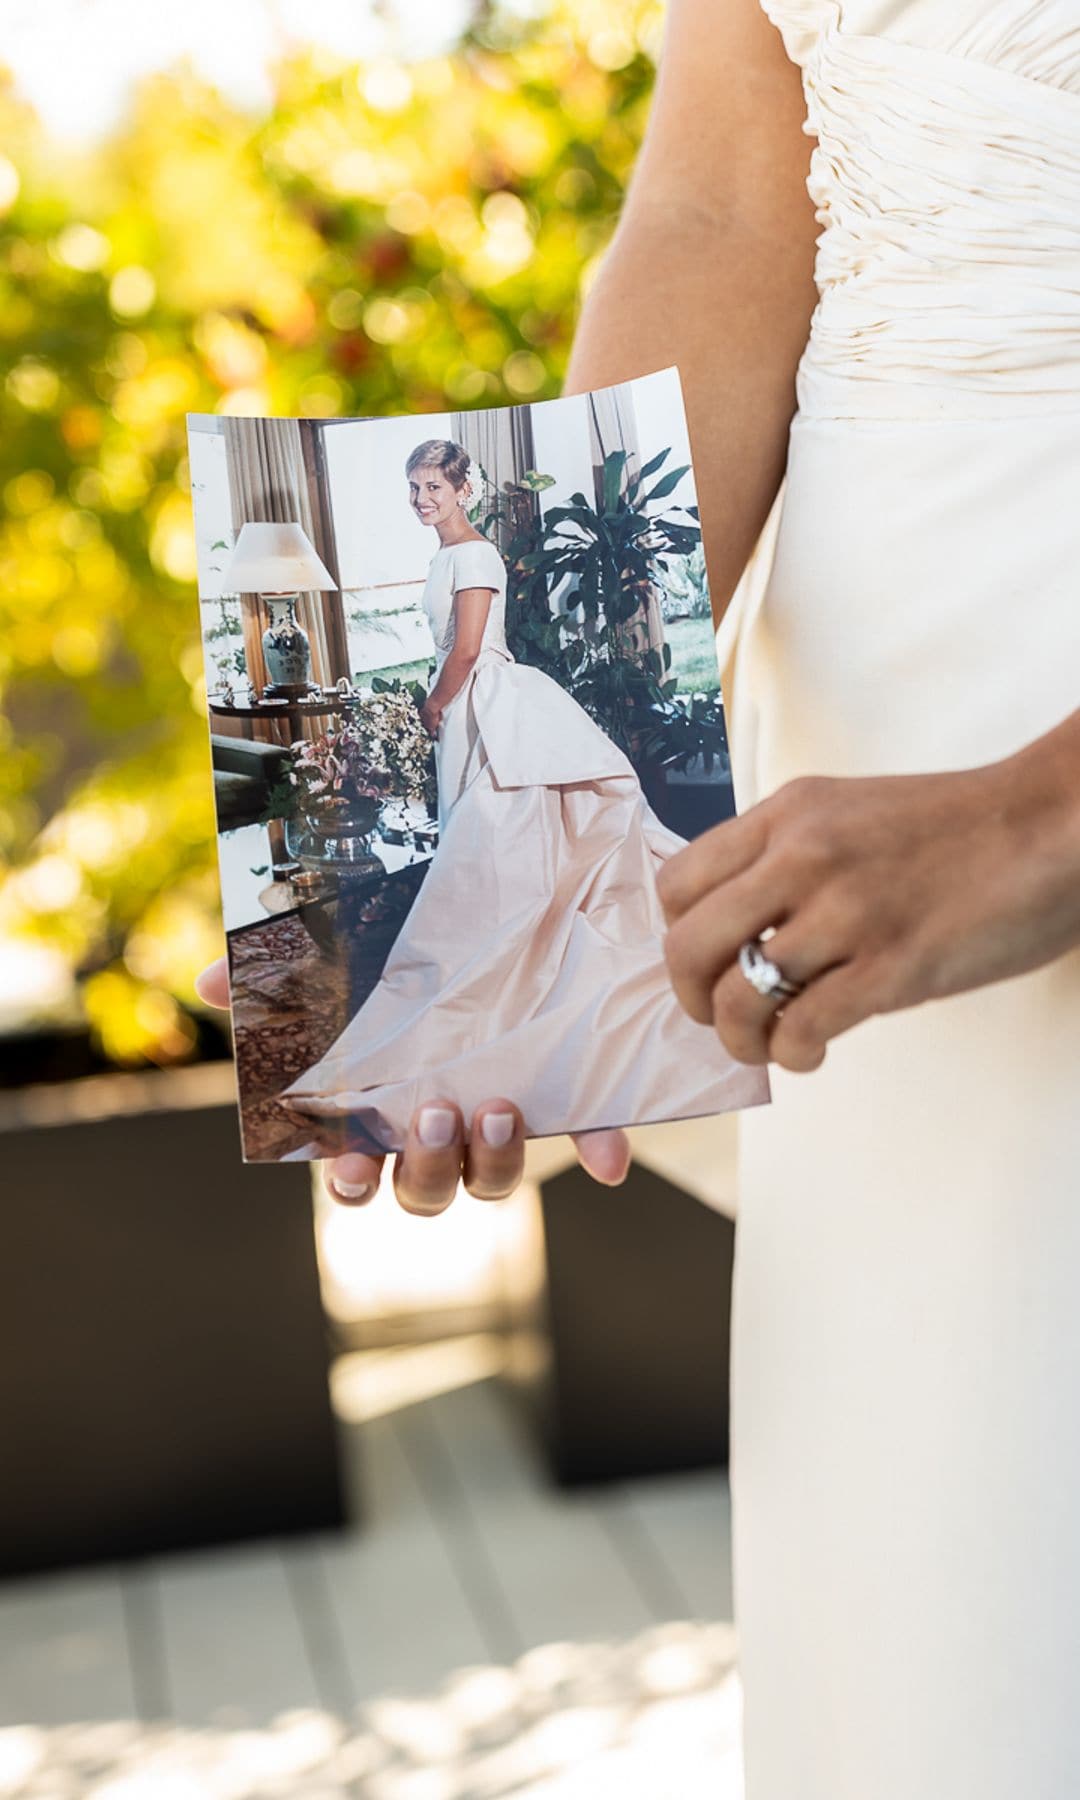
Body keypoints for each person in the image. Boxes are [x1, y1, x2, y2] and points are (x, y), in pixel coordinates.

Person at [197, 0, 1080, 1792]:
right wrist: (512, 954)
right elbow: (720, 215)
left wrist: (1038, 821)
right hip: (857, 759)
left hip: (1005, 800)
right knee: (948, 1617)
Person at [270, 436, 767, 1155]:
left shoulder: (471, 555)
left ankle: (510, 970)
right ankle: (497, 960)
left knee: (492, 840)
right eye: (413, 489)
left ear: (463, 489)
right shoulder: (445, 556)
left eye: (434, 487)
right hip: (468, 703)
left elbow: (468, 647)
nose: (422, 500)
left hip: (483, 700)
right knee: (483, 850)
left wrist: (435, 706)